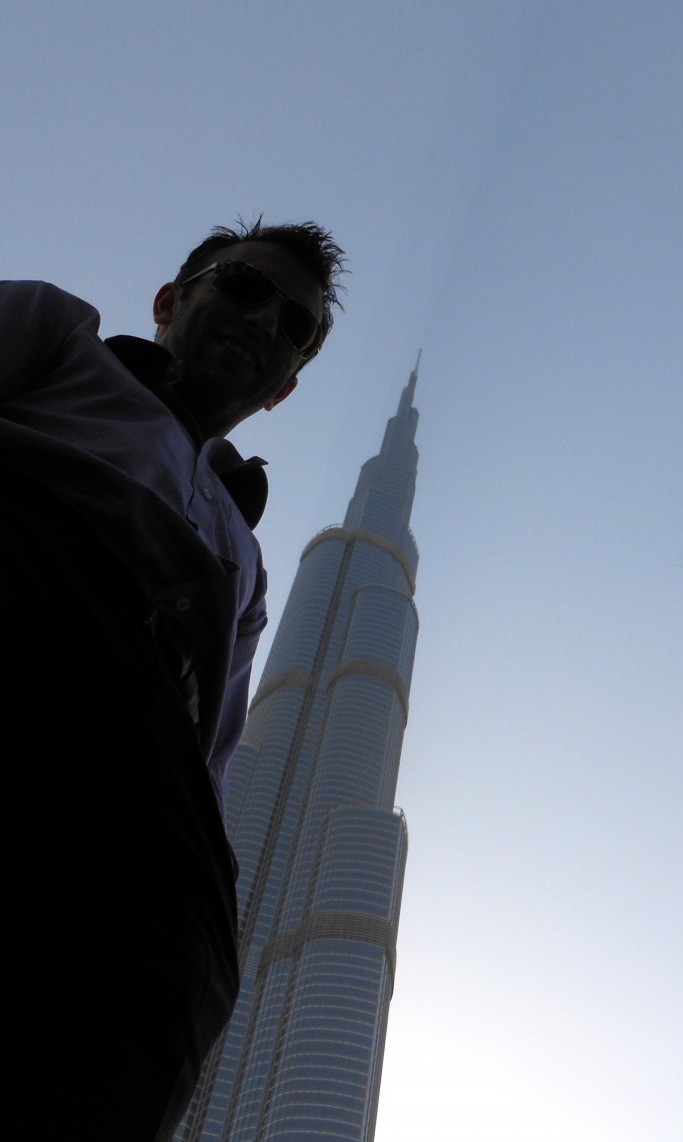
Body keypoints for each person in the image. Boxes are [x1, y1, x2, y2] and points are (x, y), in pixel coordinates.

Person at [1, 218, 344, 1139]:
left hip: (137, 761)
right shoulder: (59, 338)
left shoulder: (246, 557)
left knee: (179, 961)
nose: (266, 320)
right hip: (34, 581)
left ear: (287, 388)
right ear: (170, 301)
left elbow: (209, 750)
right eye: (241, 286)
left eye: (297, 326)